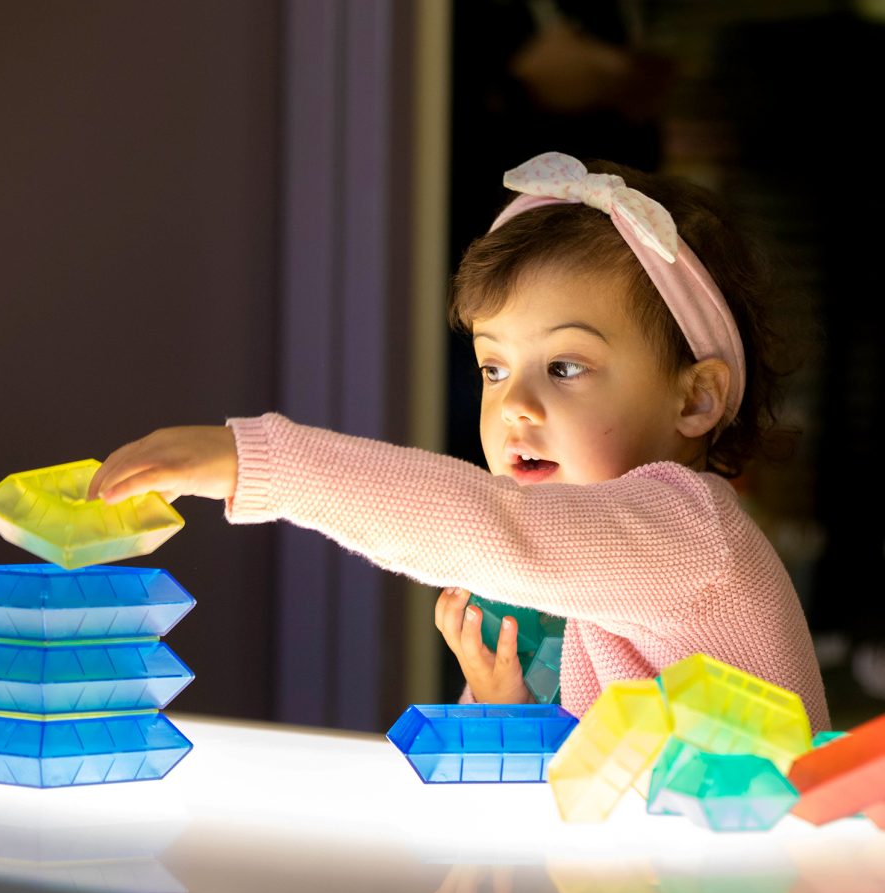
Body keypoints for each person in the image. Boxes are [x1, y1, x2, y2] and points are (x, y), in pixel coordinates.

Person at [87, 151, 831, 733]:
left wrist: (257, 463)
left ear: (695, 398)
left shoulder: (690, 532)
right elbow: (581, 794)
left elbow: (491, 527)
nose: (515, 406)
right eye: (494, 368)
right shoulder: (593, 580)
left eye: (566, 366)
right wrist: (506, 709)